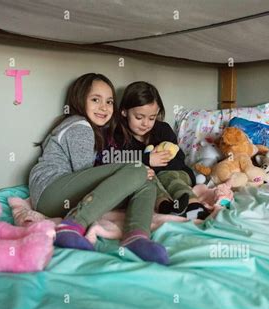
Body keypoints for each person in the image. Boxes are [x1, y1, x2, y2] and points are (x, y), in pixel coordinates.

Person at [29, 73, 169, 265]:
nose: (104, 107)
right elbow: (85, 171)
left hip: (59, 195)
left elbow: (99, 177)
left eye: (109, 102)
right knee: (138, 169)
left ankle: (136, 236)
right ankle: (72, 225)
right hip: (50, 190)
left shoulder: (94, 130)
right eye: (96, 100)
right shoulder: (80, 126)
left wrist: (132, 180)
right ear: (79, 99)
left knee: (146, 180)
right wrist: (133, 171)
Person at [112, 81, 209, 220]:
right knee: (146, 178)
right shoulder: (118, 136)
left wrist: (156, 164)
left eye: (151, 118)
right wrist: (147, 160)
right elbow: (115, 160)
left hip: (178, 173)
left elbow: (179, 160)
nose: (146, 123)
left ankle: (195, 207)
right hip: (148, 178)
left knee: (165, 176)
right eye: (139, 117)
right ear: (124, 112)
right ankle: (166, 207)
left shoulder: (163, 129)